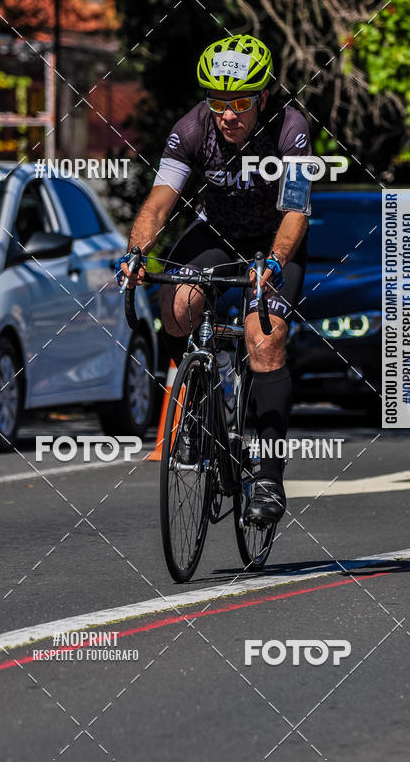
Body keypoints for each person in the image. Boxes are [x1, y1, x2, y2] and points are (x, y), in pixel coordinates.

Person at [117, 34, 312, 525]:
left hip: (275, 238)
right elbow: (161, 199)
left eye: (240, 102)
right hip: (217, 231)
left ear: (262, 96)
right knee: (179, 306)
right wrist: (137, 251)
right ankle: (199, 402)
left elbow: (295, 210)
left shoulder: (291, 128)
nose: (228, 114)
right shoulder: (190, 128)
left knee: (263, 337)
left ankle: (267, 476)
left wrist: (272, 263)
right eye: (218, 101)